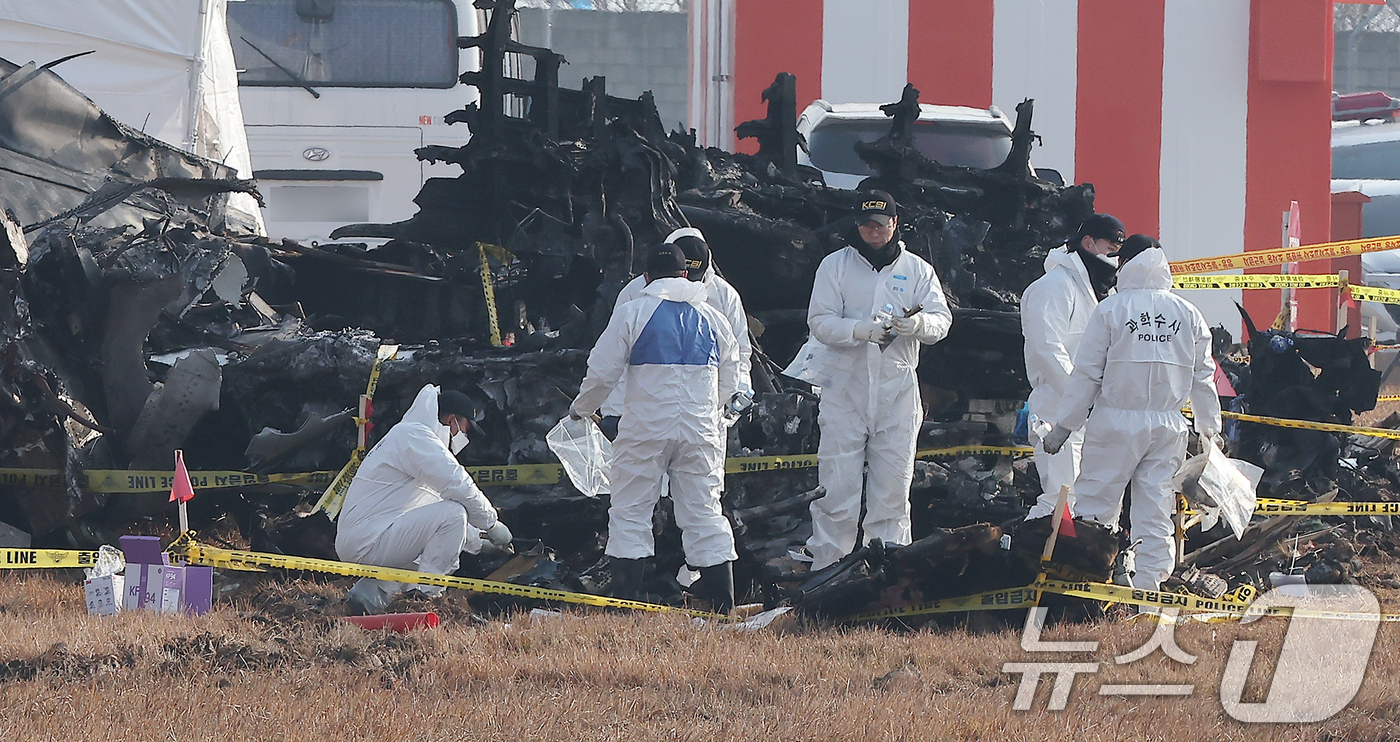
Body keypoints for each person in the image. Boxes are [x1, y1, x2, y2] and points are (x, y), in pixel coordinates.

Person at [1043, 235, 1222, 591]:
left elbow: (1087, 374)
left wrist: (1064, 426)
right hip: (1169, 425)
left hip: (1115, 422)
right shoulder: (1188, 313)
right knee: (1155, 509)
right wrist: (1209, 429)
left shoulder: (1111, 310)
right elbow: (1204, 378)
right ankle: (1150, 590)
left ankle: (1090, 581)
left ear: (1126, 264)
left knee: (1097, 503)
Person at [570, 243, 742, 612]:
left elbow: (602, 373)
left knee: (630, 510)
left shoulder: (633, 312)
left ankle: (627, 603)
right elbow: (730, 380)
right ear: (685, 275)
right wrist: (708, 409)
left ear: (645, 277)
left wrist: (580, 411)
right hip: (701, 431)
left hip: (645, 429)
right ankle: (721, 603)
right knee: (704, 511)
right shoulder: (714, 318)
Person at [803, 190, 953, 571]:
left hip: (897, 391)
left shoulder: (917, 270)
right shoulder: (835, 267)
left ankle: (888, 575)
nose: (874, 232)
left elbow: (941, 320)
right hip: (843, 390)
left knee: (892, 489)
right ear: (857, 225)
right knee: (837, 487)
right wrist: (859, 330)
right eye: (867, 225)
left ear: (895, 224)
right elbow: (819, 322)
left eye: (881, 225)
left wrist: (918, 325)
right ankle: (828, 570)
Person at [336, 384, 513, 614]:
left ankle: (370, 597)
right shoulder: (414, 436)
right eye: (465, 429)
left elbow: (431, 504)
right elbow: (456, 483)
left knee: (433, 546)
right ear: (452, 420)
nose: (464, 436)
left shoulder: (411, 438)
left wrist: (479, 543)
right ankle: (424, 599)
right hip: (369, 540)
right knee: (453, 515)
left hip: (370, 537)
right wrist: (492, 523)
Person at [1019, 213, 1124, 520]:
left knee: (1089, 504)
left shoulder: (1106, 292)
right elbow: (1046, 348)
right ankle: (1034, 561)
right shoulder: (1054, 287)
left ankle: (1075, 565)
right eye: (1110, 248)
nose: (1115, 258)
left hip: (1096, 411)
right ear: (1088, 243)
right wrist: (1077, 396)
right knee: (1059, 499)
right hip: (1057, 407)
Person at [599, 227, 752, 434]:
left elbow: (739, 354)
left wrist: (737, 394)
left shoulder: (725, 296)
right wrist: (614, 412)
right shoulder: (635, 294)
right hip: (646, 415)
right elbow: (617, 356)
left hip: (700, 418)